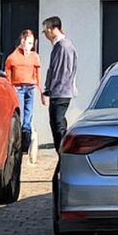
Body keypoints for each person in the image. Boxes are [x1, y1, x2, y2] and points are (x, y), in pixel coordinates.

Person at [41, 16, 77, 162]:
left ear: (51, 30)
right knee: (57, 124)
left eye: (45, 31)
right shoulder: (61, 46)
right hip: (60, 91)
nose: (45, 35)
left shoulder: (63, 46)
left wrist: (51, 89)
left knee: (58, 125)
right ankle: (62, 157)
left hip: (60, 93)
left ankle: (64, 158)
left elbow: (60, 72)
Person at [4, 29, 41, 163]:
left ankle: (26, 138)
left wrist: (39, 89)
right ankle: (19, 139)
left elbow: (37, 73)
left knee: (29, 113)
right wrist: (10, 88)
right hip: (18, 87)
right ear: (22, 41)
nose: (29, 46)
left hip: (30, 87)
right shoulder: (13, 57)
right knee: (19, 112)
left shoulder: (34, 56)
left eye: (31, 44)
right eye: (28, 43)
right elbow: (8, 75)